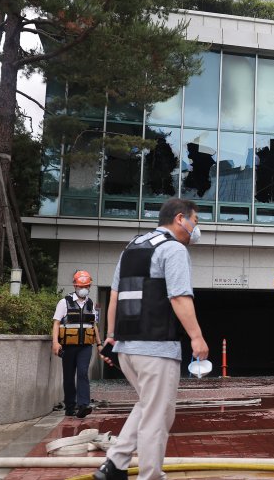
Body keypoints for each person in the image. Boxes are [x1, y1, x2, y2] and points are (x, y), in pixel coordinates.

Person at [93, 198, 209, 480]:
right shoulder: (174, 249)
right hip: (156, 348)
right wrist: (197, 337)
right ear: (180, 219)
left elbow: (115, 295)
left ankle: (115, 464)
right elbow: (179, 297)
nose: (196, 228)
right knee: (158, 416)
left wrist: (111, 336)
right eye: (195, 221)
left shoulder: (132, 246)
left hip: (127, 349)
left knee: (148, 405)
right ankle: (150, 475)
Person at [52, 270, 101, 418]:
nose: (83, 289)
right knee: (68, 376)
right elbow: (56, 323)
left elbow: (94, 325)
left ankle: (83, 405)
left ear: (89, 286)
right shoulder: (64, 302)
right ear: (75, 286)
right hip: (68, 346)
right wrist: (55, 343)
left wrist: (99, 344)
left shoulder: (90, 304)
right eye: (81, 286)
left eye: (86, 286)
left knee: (82, 372)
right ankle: (70, 406)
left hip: (85, 346)